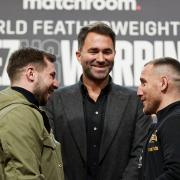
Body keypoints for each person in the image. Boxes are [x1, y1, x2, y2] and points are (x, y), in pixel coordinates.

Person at [45, 22, 151, 180]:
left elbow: (140, 154)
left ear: (115, 54)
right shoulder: (54, 100)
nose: (101, 59)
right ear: (79, 55)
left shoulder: (135, 102)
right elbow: (48, 154)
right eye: (93, 51)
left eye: (107, 52)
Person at [0, 48, 64, 180]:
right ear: (31, 74)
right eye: (51, 75)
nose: (56, 84)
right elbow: (23, 176)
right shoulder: (19, 114)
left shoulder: (23, 111)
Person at [137, 57, 180, 180]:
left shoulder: (175, 120)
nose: (138, 92)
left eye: (144, 83)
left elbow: (176, 173)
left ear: (163, 83)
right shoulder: (162, 123)